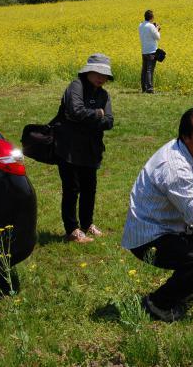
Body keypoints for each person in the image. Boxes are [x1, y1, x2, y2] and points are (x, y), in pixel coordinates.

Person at [121, 107, 193, 322]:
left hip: (166, 227)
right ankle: (158, 303)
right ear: (186, 136)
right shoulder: (175, 166)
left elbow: (188, 181)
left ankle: (179, 292)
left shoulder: (183, 151)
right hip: (148, 238)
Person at [53, 53, 114, 243]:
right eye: (97, 73)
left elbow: (109, 122)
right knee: (71, 189)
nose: (100, 78)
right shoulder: (76, 86)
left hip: (91, 148)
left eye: (104, 75)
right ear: (88, 71)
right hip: (68, 147)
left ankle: (87, 224)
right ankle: (72, 230)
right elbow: (74, 111)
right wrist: (97, 114)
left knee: (90, 188)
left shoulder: (103, 94)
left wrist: (88, 118)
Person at [138, 9, 161, 94]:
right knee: (150, 70)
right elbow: (157, 37)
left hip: (144, 51)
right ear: (152, 18)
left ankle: (144, 88)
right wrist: (157, 29)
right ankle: (150, 89)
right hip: (151, 51)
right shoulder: (151, 26)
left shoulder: (140, 25)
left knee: (144, 70)